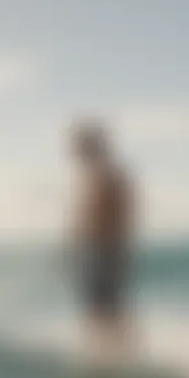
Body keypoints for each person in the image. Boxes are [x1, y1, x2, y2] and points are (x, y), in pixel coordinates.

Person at [69, 120, 134, 356]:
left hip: (104, 250)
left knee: (105, 307)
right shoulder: (95, 174)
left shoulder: (107, 174)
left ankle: (117, 352)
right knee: (101, 307)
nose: (76, 151)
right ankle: (105, 352)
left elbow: (122, 213)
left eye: (81, 145)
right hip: (95, 250)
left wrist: (118, 247)